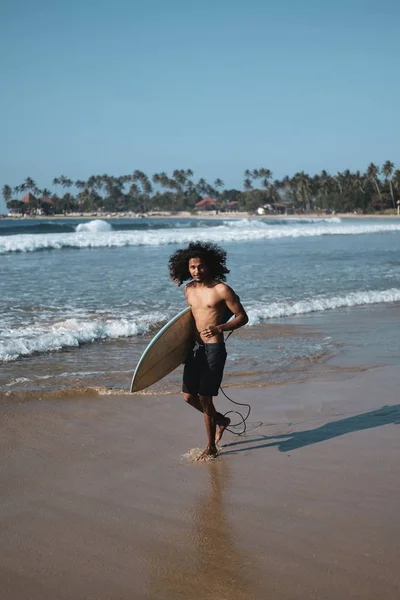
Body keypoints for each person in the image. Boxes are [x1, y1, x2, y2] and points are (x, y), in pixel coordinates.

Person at [169, 241, 248, 459]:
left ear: (210, 266)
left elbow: (242, 317)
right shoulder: (189, 290)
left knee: (205, 397)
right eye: (193, 267)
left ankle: (210, 447)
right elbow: (189, 320)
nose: (197, 271)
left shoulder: (221, 289)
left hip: (214, 348)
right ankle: (221, 420)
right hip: (194, 350)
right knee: (188, 396)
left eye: (201, 266)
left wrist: (219, 327)